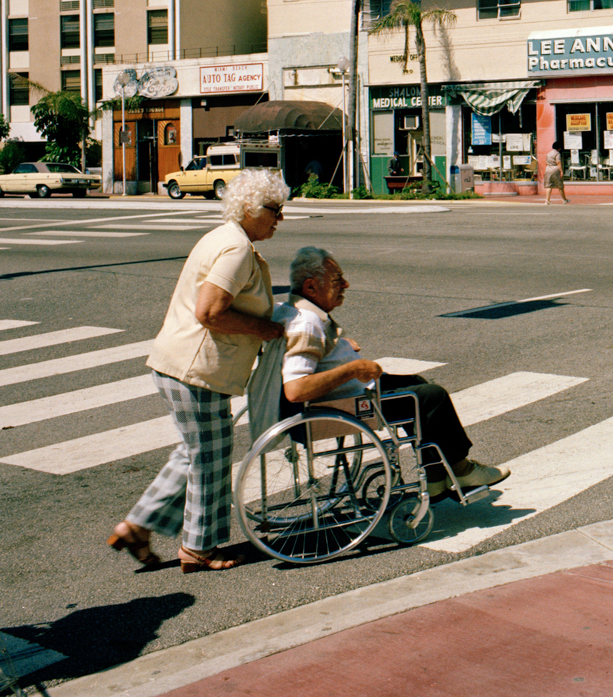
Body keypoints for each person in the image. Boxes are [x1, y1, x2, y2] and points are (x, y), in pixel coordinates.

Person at [108, 169, 290, 573]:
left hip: (183, 365)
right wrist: (267, 329)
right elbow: (209, 312)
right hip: (195, 370)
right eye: (273, 209)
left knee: (193, 452)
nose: (280, 218)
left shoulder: (226, 237)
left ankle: (136, 526)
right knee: (210, 458)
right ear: (247, 208)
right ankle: (198, 548)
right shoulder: (236, 249)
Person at [276, 247, 509, 496]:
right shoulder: (306, 323)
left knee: (417, 384)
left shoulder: (292, 310)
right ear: (310, 287)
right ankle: (461, 470)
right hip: (340, 405)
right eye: (337, 280)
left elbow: (308, 353)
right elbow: (296, 388)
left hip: (344, 396)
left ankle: (437, 476)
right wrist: (353, 367)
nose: (346, 284)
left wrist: (340, 345)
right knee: (432, 396)